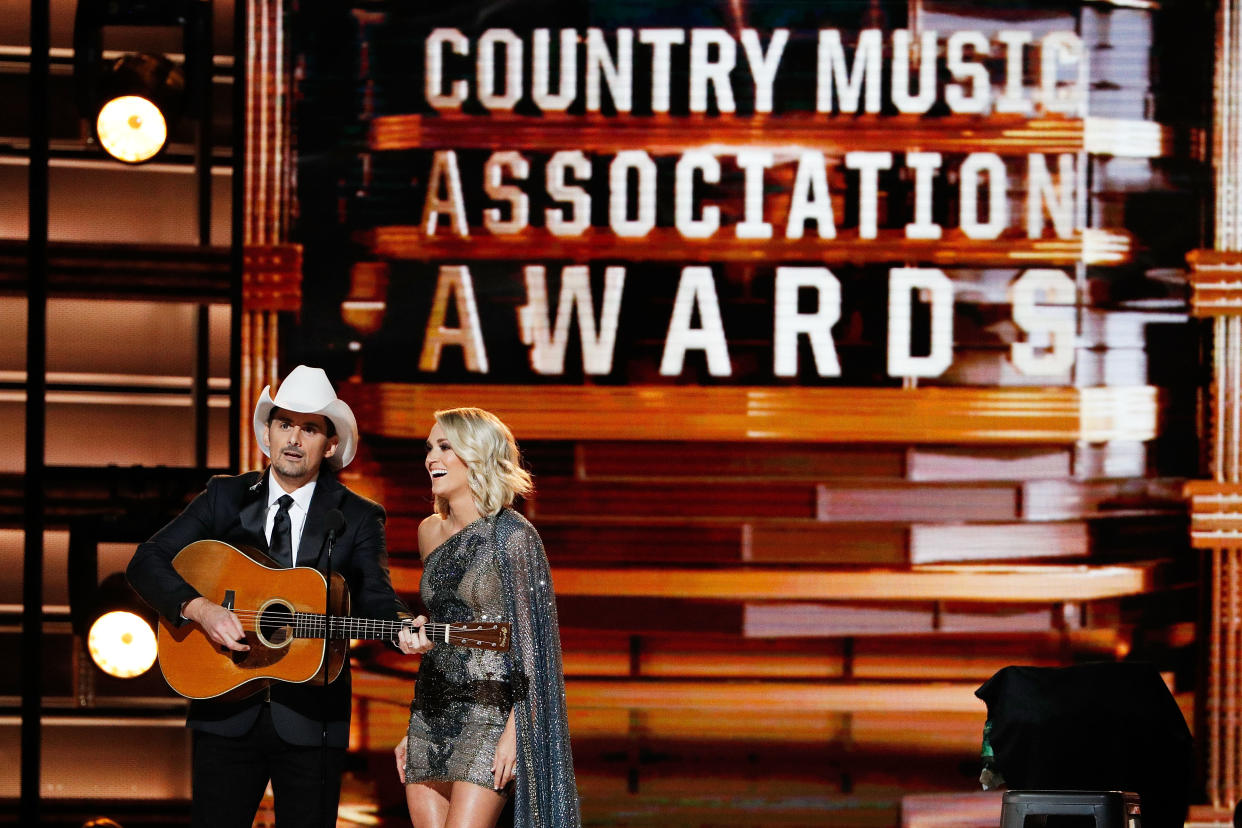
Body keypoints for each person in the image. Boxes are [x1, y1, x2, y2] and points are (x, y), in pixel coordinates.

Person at [127, 364, 427, 828]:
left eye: (309, 428)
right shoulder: (224, 497)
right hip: (224, 709)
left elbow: (375, 598)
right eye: (284, 423)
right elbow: (147, 561)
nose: (293, 437)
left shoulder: (358, 516)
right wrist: (199, 608)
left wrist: (403, 628)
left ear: (329, 445)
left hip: (313, 721)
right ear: (267, 431)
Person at [394, 407, 581, 828]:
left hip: (491, 714)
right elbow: (446, 631)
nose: (431, 458)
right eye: (429, 448)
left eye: (445, 446)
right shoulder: (428, 532)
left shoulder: (513, 537)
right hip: (431, 710)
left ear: (476, 454)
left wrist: (517, 732)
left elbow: (535, 651)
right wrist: (412, 726)